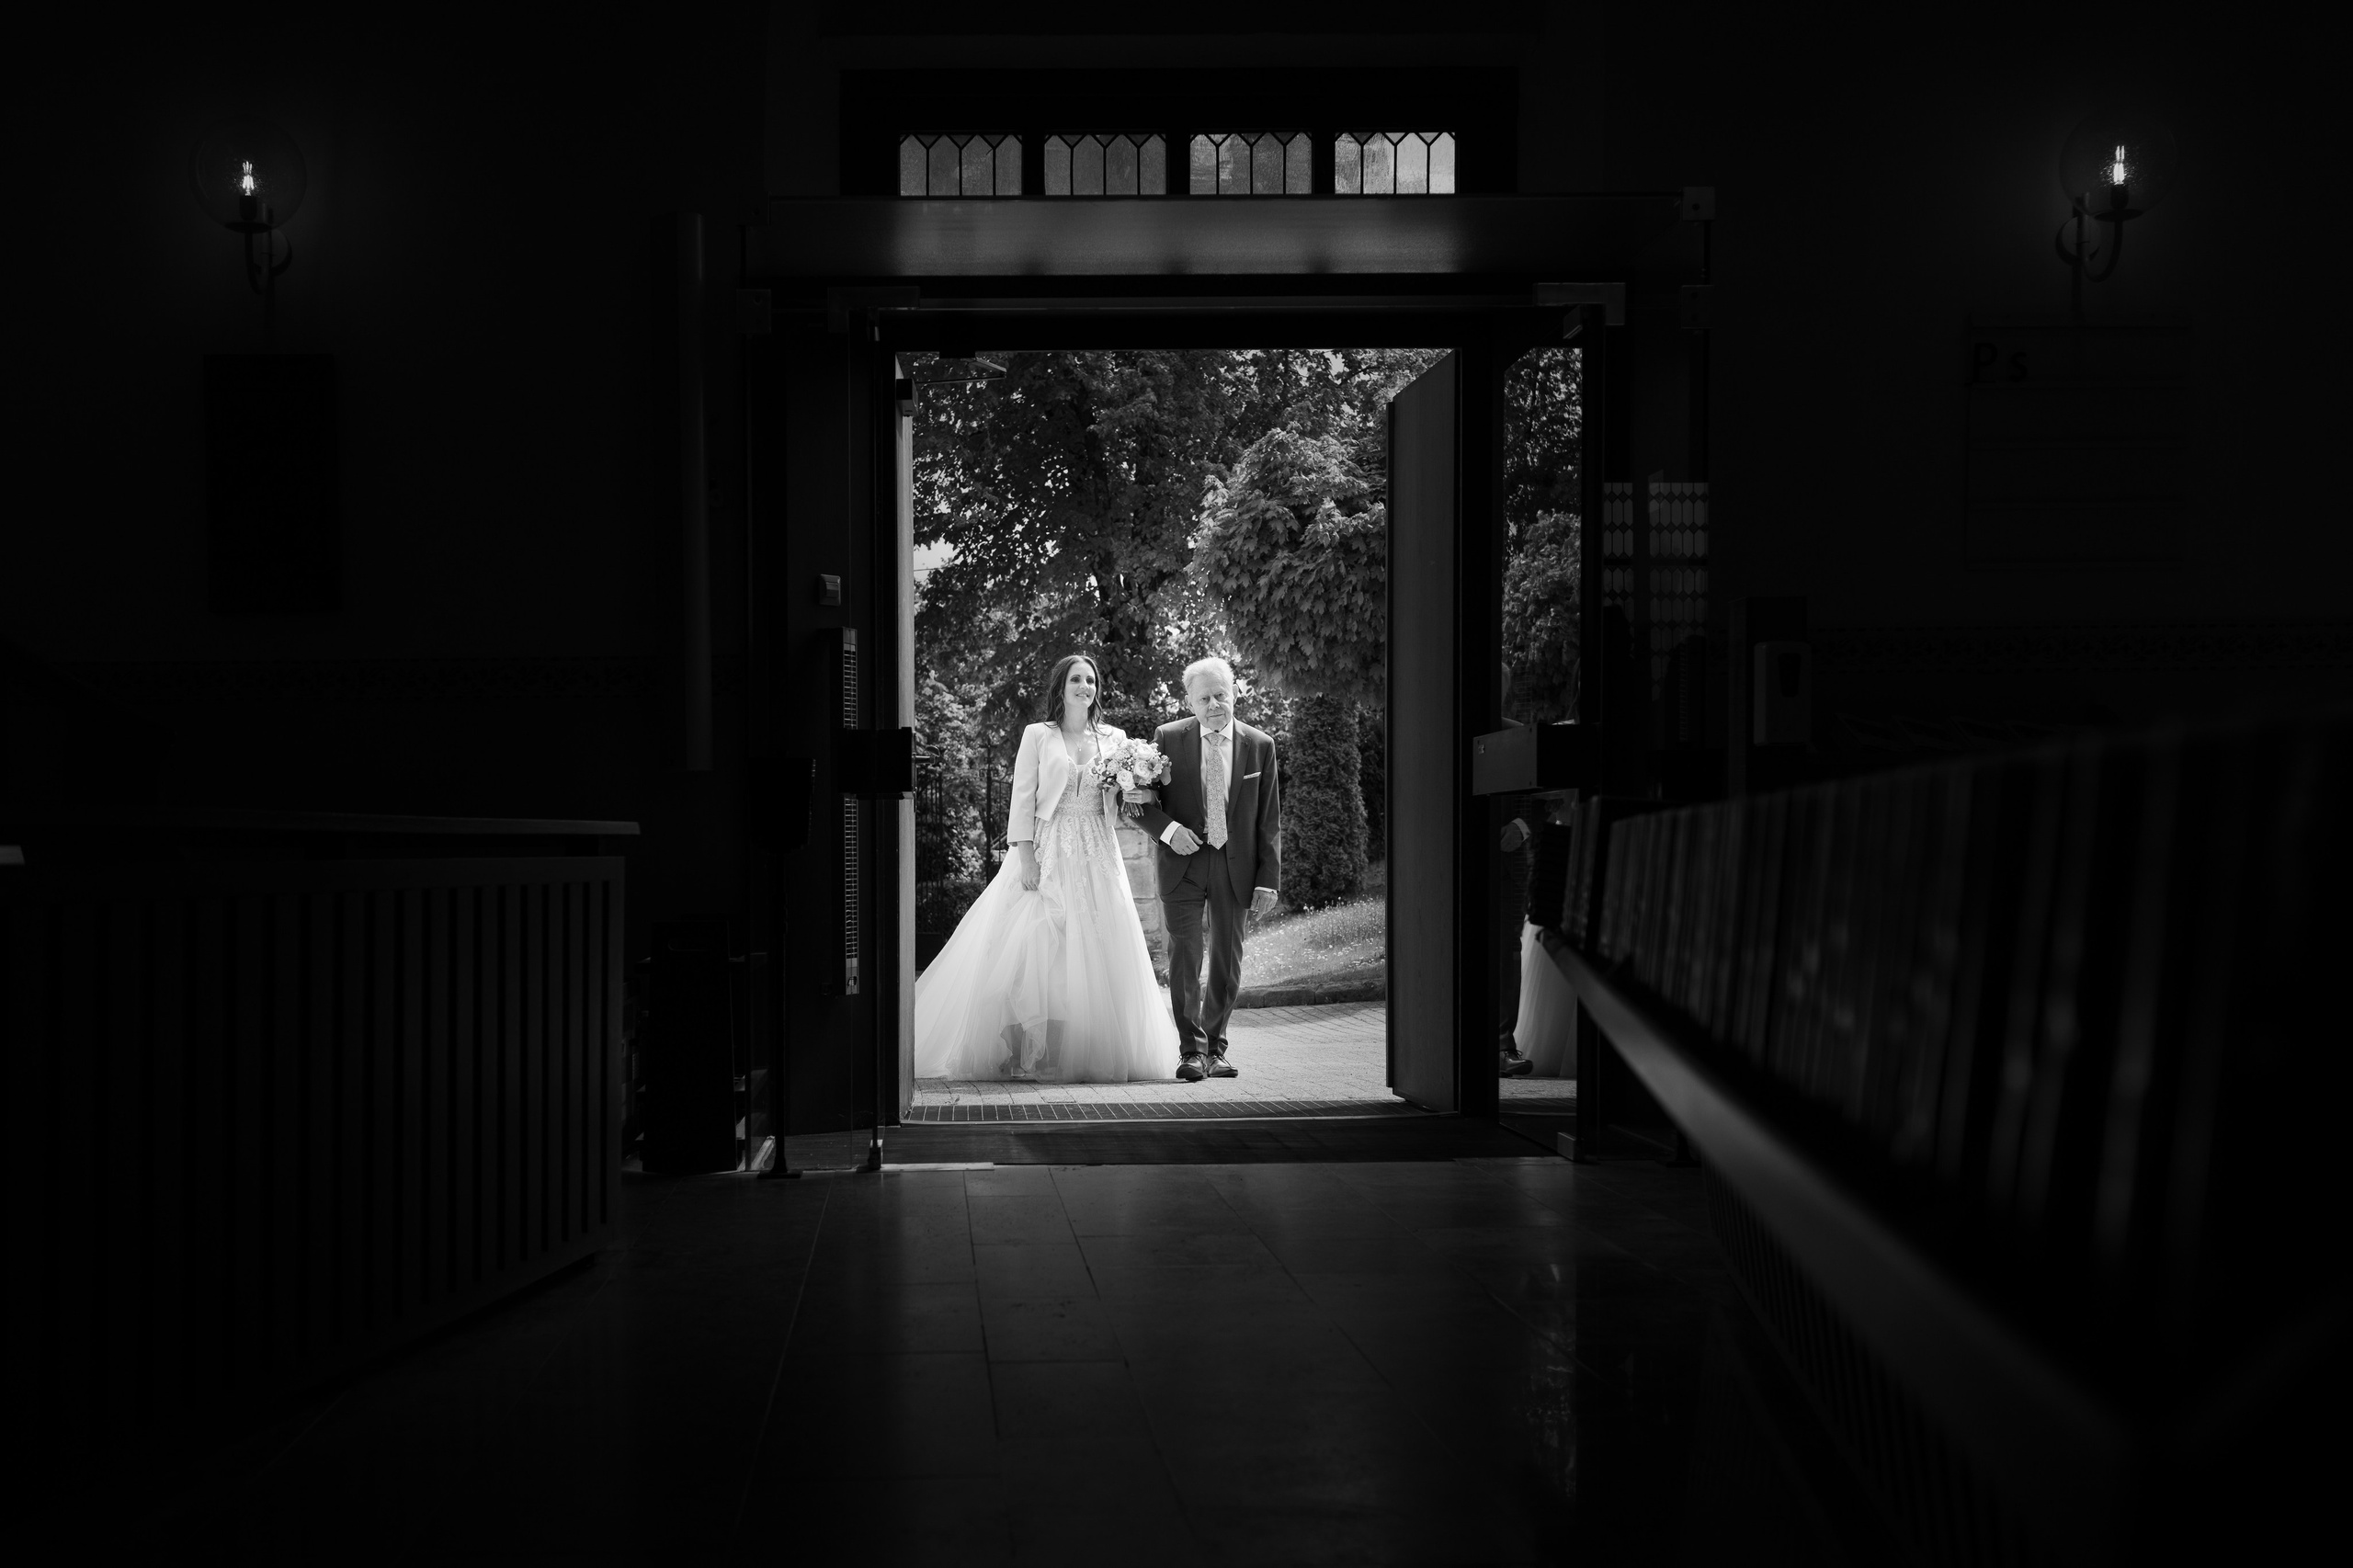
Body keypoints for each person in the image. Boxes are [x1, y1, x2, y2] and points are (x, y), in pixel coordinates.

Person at [913, 653, 1176, 1083]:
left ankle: (1088, 1050)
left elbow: (1130, 802)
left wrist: (1143, 791)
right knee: (1034, 947)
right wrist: (1028, 856)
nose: (1084, 687)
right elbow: (1022, 799)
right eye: (1076, 679)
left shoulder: (1117, 739)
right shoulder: (1038, 735)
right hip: (1049, 847)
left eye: (1090, 680)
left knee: (1096, 945)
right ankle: (1022, 1052)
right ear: (1061, 687)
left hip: (1097, 849)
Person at [1130, 656, 1281, 1083]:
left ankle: (1217, 1049)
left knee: (1226, 960)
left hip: (1237, 867)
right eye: (1204, 698)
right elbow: (1138, 805)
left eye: (1221, 695)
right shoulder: (1166, 738)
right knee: (1184, 958)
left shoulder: (1260, 744)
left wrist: (1268, 879)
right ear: (1189, 702)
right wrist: (1169, 830)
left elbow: (1269, 819)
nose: (1214, 704)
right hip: (1183, 863)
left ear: (1236, 693)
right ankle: (1191, 1052)